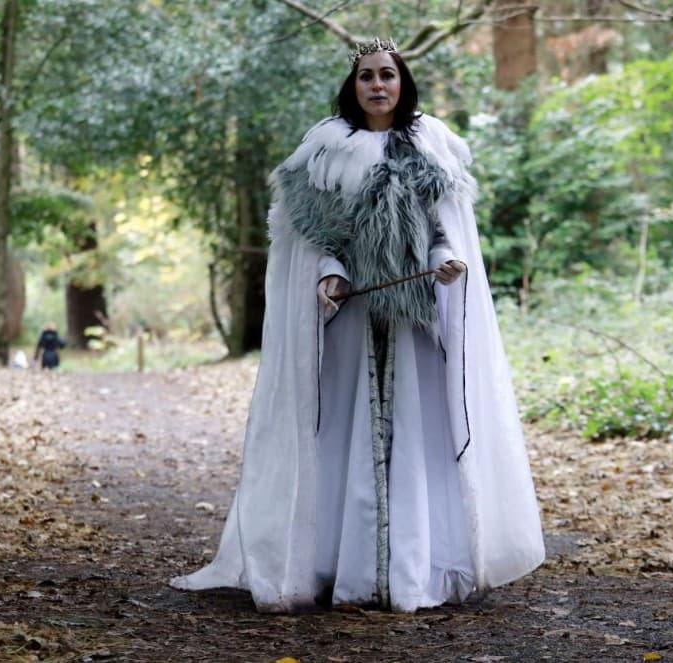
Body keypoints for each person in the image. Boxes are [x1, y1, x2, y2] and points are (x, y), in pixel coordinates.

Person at [171, 38, 544, 613]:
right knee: (345, 428)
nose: (377, 85)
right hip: (352, 320)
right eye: (366, 76)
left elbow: (442, 226)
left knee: (418, 433)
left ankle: (413, 563)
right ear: (353, 86)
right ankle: (337, 563)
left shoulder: (430, 145)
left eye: (387, 75)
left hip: (414, 321)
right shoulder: (327, 148)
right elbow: (319, 235)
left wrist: (446, 263)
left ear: (402, 83)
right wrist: (329, 275)